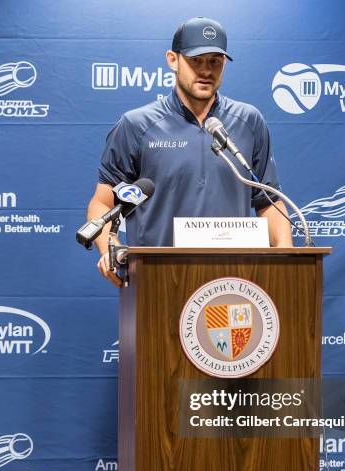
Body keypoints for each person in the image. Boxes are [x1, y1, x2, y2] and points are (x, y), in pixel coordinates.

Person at [87, 17, 293, 287]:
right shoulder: (136, 125)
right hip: (158, 283)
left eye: (215, 62)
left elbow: (269, 202)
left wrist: (288, 256)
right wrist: (110, 249)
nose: (206, 70)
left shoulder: (249, 121)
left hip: (234, 282)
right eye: (196, 60)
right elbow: (102, 203)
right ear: (173, 60)